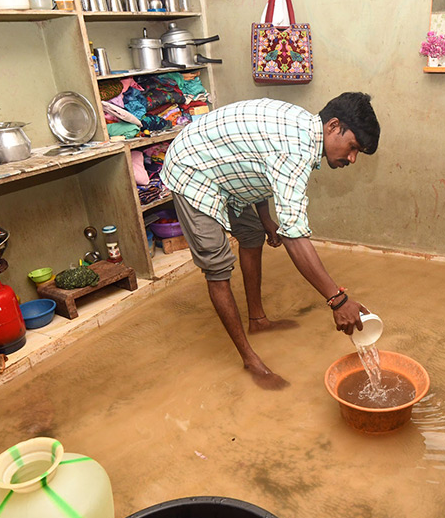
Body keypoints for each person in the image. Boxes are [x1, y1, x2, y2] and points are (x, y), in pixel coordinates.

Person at [162, 92, 380, 389]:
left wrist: (266, 219)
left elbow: (256, 162)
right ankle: (250, 359)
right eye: (353, 147)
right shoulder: (297, 150)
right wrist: (337, 299)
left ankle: (258, 320)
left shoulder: (305, 128)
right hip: (194, 169)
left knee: (252, 234)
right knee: (218, 265)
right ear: (333, 126)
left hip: (227, 173)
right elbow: (294, 236)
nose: (352, 159)